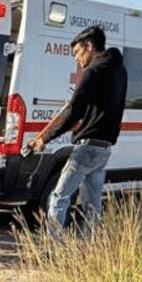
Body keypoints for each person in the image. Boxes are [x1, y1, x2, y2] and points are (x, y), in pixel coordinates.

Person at [28, 25, 128, 237]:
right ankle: (87, 246)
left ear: (89, 47)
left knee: (59, 198)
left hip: (87, 148)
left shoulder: (93, 72)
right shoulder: (119, 71)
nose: (76, 59)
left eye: (77, 53)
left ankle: (51, 249)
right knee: (92, 203)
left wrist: (44, 138)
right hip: (104, 149)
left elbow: (74, 111)